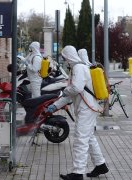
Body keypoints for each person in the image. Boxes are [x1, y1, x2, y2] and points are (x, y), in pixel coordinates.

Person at [46, 45, 109, 180]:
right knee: (89, 138)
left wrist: (64, 89)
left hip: (86, 109)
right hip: (86, 109)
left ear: (68, 57)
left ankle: (78, 173)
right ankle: (100, 165)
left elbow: (75, 88)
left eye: (64, 57)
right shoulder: (76, 69)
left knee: (80, 139)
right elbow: (70, 95)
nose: (64, 60)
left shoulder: (79, 68)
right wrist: (54, 106)